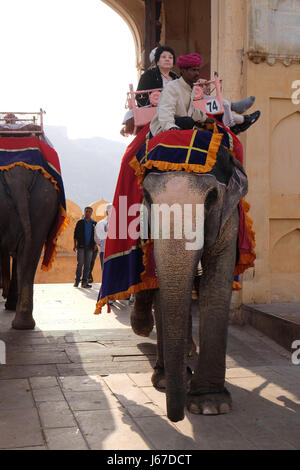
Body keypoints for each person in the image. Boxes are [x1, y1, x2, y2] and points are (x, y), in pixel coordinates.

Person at [150, 53, 260, 136]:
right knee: (189, 122)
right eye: (193, 70)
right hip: (165, 127)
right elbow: (165, 111)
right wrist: (170, 127)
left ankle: (239, 122)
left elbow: (190, 110)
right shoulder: (172, 87)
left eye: (198, 70)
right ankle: (239, 118)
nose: (197, 73)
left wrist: (204, 118)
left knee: (212, 127)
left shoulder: (190, 88)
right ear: (182, 71)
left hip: (181, 123)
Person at [120, 46, 178, 136]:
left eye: (170, 57)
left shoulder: (175, 77)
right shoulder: (148, 75)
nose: (167, 59)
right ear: (157, 61)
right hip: (155, 111)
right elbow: (140, 97)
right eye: (164, 57)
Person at [73, 207, 97, 288]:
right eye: (86, 211)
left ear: (91, 213)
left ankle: (84, 282)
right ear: (84, 212)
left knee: (87, 265)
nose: (88, 213)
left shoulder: (94, 223)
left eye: (89, 211)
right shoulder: (80, 222)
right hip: (81, 246)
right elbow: (75, 235)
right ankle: (76, 281)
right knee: (80, 264)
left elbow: (96, 236)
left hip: (90, 247)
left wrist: (95, 245)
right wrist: (74, 245)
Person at [94, 204, 112, 269]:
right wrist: (102, 244)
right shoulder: (101, 223)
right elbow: (96, 237)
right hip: (104, 250)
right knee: (105, 269)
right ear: (107, 212)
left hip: (113, 251)